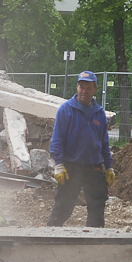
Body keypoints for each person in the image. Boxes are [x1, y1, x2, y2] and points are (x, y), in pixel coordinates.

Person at [47, 70, 115, 228]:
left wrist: (109, 167)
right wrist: (58, 164)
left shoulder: (99, 113)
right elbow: (57, 139)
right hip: (71, 167)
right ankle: (49, 237)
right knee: (63, 207)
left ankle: (93, 242)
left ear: (95, 89)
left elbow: (104, 143)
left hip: (94, 168)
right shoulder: (66, 110)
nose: (84, 90)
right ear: (77, 87)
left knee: (97, 208)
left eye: (88, 87)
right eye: (81, 86)